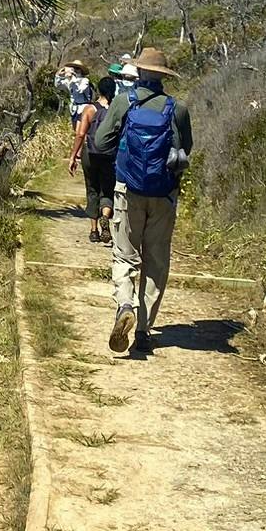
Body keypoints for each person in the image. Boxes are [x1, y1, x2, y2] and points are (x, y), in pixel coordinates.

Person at [87, 47, 194, 355]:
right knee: (156, 261)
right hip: (164, 193)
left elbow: (101, 140)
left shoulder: (124, 102)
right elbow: (186, 149)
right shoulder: (178, 108)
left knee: (124, 255)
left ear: (139, 72)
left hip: (128, 190)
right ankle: (145, 331)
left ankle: (124, 306)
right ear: (163, 76)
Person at [66, 71, 119, 243]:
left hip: (91, 153)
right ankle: (105, 215)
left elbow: (80, 134)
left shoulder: (89, 109)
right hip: (110, 155)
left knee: (92, 189)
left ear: (98, 90)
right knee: (107, 189)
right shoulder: (116, 111)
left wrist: (73, 156)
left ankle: (94, 230)